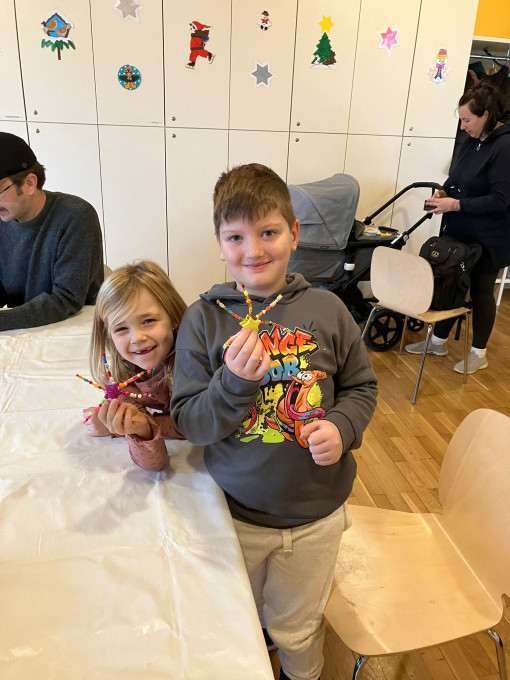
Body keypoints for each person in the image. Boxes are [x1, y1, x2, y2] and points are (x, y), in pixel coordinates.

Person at [170, 164, 378, 680]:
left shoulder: (329, 309)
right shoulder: (203, 320)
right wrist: (233, 383)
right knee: (238, 618)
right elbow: (191, 422)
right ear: (220, 245)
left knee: (298, 630)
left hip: (317, 517)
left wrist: (342, 427)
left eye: (268, 232)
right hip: (232, 517)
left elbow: (362, 387)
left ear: (294, 234)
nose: (254, 250)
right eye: (236, 237)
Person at [406, 82, 510, 373]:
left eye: (467, 120)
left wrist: (456, 204)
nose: (463, 126)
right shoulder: (472, 140)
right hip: (460, 230)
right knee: (450, 284)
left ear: (486, 115)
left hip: (489, 236)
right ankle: (438, 341)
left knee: (481, 291)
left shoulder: (504, 147)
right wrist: (443, 192)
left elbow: (501, 199)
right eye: (460, 120)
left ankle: (479, 353)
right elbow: (456, 178)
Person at [85, 260, 187, 472]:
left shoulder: (192, 362)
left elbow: (192, 425)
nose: (137, 338)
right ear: (108, 336)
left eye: (148, 321)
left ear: (174, 317)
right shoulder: (121, 377)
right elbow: (154, 463)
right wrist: (135, 427)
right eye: (121, 328)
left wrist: (121, 428)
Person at [0, 132, 104, 332]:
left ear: (30, 183)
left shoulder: (76, 216)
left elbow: (66, 299)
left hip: (75, 328)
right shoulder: (3, 217)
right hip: (26, 329)